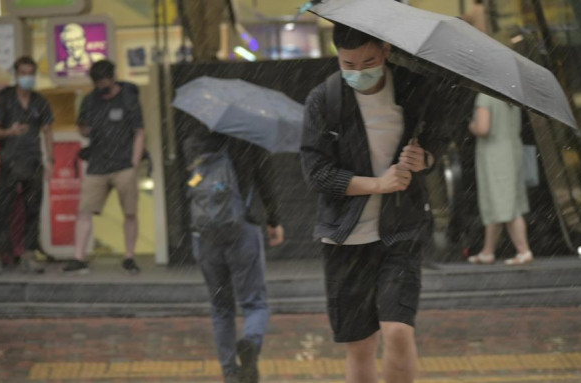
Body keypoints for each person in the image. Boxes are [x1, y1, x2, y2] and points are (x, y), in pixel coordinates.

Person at [300, 24, 448, 383]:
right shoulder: (325, 99)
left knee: (398, 331)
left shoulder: (415, 88)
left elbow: (438, 143)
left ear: (385, 50)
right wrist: (378, 184)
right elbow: (317, 173)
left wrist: (424, 159)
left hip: (400, 231)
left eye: (368, 61)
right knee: (360, 345)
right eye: (348, 64)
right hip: (345, 238)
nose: (358, 72)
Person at [183, 130, 285, 383]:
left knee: (220, 308)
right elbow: (266, 181)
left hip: (205, 236)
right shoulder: (250, 139)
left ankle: (229, 372)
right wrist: (274, 221)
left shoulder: (193, 142)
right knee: (254, 303)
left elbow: (188, 191)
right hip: (242, 230)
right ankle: (250, 342)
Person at [62, 60, 144, 274]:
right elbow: (84, 131)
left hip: (124, 163)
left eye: (104, 82)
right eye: (97, 83)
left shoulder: (128, 97)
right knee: (84, 210)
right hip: (97, 163)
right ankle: (79, 257)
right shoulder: (90, 100)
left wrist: (134, 163)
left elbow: (139, 132)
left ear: (112, 77)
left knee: (130, 212)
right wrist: (84, 128)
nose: (101, 87)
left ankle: (129, 256)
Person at [0, 56, 54, 274]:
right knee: (1, 210)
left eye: (30, 73)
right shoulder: (6, 97)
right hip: (9, 162)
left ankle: (29, 254)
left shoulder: (40, 101)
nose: (27, 77)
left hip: (33, 162)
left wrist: (50, 160)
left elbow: (48, 131)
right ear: (16, 74)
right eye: (23, 73)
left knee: (33, 209)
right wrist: (9, 132)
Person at [467, 94, 533, 265]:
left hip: (495, 155)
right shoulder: (512, 96)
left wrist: (471, 125)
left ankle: (523, 250)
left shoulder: (485, 97)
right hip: (513, 151)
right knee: (501, 203)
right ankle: (487, 252)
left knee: (505, 205)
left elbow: (483, 128)